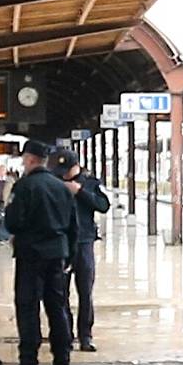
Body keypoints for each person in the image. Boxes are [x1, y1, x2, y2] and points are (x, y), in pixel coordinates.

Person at [5, 136, 77, 365]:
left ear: (30, 159)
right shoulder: (61, 187)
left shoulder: (24, 187)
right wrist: (70, 255)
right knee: (57, 308)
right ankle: (62, 363)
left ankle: (28, 363)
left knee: (28, 307)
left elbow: (12, 222)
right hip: (57, 254)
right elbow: (73, 226)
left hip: (31, 254)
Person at [50, 148, 112, 352]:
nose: (63, 174)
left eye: (66, 170)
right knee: (61, 293)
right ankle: (65, 335)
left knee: (85, 292)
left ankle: (85, 335)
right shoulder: (54, 181)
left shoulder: (90, 183)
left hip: (84, 243)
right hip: (62, 244)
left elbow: (103, 206)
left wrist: (80, 192)